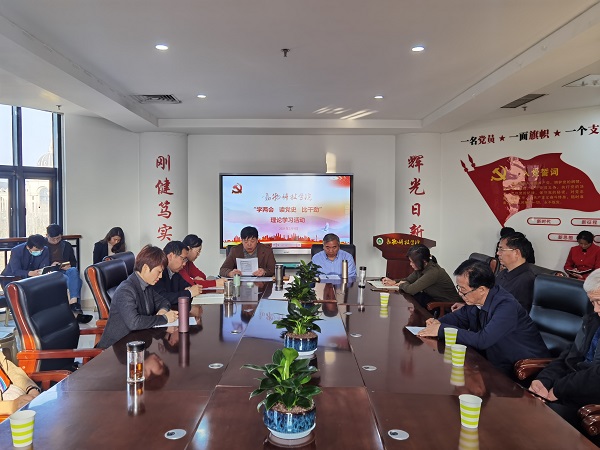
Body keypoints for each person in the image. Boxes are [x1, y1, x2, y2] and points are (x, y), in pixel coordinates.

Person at [418, 259, 549, 376]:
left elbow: (483, 340)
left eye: (463, 289)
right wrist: (437, 323)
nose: (460, 294)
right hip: (492, 361)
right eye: (459, 288)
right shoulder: (477, 300)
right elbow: (459, 318)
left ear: (481, 289)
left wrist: (441, 329)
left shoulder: (506, 306)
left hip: (522, 368)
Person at [529, 269, 600, 426]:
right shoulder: (593, 321)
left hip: (590, 404)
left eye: (599, 302)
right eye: (592, 302)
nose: (595, 309)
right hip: (570, 389)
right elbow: (569, 357)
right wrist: (544, 380)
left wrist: (558, 389)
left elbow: (596, 377)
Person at [96, 245, 178, 349]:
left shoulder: (146, 285)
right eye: (159, 271)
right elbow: (134, 323)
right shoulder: (125, 290)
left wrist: (162, 310)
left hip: (136, 343)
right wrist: (164, 319)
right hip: (115, 349)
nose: (160, 276)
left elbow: (164, 301)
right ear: (145, 268)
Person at [382, 244, 462, 307]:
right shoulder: (422, 267)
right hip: (434, 302)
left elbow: (411, 289)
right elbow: (409, 280)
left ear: (423, 261)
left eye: (413, 262)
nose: (410, 264)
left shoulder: (433, 272)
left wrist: (401, 284)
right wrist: (394, 281)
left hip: (449, 307)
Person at [45, 224, 93, 323]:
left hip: (64, 270)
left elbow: (73, 261)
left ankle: (73, 303)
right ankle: (75, 311)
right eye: (53, 239)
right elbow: (41, 264)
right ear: (47, 236)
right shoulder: (43, 246)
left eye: (58, 238)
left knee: (73, 270)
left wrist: (68, 265)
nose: (56, 241)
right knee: (74, 281)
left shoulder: (66, 245)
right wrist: (51, 265)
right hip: (50, 271)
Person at [495, 232, 537, 312]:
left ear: (516, 253)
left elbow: (516, 313)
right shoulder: (503, 273)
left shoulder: (526, 280)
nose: (498, 253)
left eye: (501, 249)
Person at [152, 241, 201, 307]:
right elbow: (162, 298)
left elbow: (187, 286)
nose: (184, 264)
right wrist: (189, 293)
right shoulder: (158, 273)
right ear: (171, 256)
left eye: (186, 260)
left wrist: (189, 289)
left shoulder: (175, 273)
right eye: (183, 259)